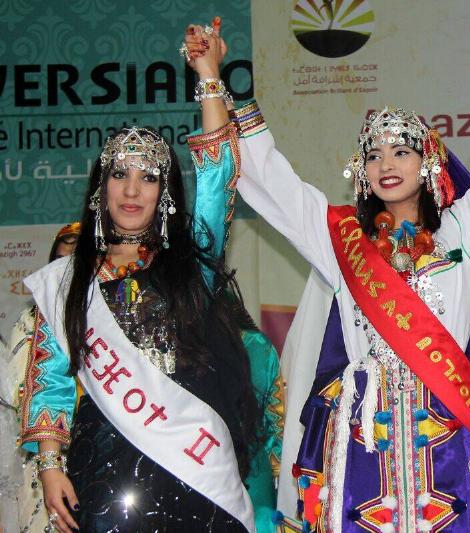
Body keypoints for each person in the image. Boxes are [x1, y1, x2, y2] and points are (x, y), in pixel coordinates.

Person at [183, 6, 470, 531]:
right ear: (361, 173)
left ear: (429, 161)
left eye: (401, 151)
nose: (386, 164)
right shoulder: (342, 240)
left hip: (450, 443)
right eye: (374, 155)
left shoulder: (466, 231)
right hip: (365, 441)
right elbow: (274, 182)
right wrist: (213, 76)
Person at [18, 21, 277, 530]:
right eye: (120, 174)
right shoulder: (67, 281)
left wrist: (208, 74)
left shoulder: (191, 261)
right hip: (102, 467)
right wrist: (50, 466)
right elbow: (48, 381)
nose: (132, 190)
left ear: (165, 192)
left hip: (193, 468)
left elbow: (218, 170)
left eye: (149, 177)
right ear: (101, 187)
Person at [1, 223, 80, 533]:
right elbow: (14, 389)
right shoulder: (33, 319)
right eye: (61, 259)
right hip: (43, 455)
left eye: (78, 259)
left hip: (106, 449)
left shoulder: (113, 313)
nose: (68, 268)